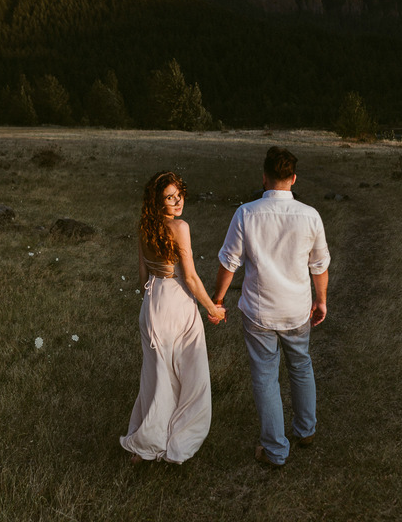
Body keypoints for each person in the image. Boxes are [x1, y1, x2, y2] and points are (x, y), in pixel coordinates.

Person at [213, 146, 330, 468]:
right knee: (301, 366)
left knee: (266, 377)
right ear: (293, 178)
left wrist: (218, 299)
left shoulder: (246, 213)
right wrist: (320, 300)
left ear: (264, 177)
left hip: (259, 311)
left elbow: (229, 263)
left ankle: (275, 450)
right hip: (297, 309)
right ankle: (305, 431)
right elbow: (319, 266)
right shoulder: (310, 215)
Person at [120, 171, 227, 465]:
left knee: (156, 376)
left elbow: (142, 276)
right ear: (158, 201)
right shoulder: (180, 227)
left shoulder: (144, 226)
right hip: (176, 302)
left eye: (179, 195)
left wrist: (153, 302)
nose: (178, 202)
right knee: (190, 374)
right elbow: (190, 277)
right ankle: (173, 439)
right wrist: (213, 309)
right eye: (170, 197)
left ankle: (147, 442)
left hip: (152, 303)